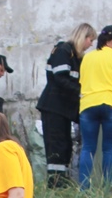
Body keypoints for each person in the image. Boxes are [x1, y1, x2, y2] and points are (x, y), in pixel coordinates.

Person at [36, 23, 97, 187]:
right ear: (83, 37)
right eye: (90, 40)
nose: (91, 44)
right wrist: (81, 91)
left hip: (64, 109)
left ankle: (61, 180)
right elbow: (60, 78)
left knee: (65, 144)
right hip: (53, 106)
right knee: (56, 143)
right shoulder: (64, 51)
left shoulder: (76, 57)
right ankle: (55, 182)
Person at [78, 25, 112, 189]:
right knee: (109, 149)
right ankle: (106, 189)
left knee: (88, 148)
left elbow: (82, 82)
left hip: (88, 105)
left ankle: (84, 190)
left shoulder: (87, 58)